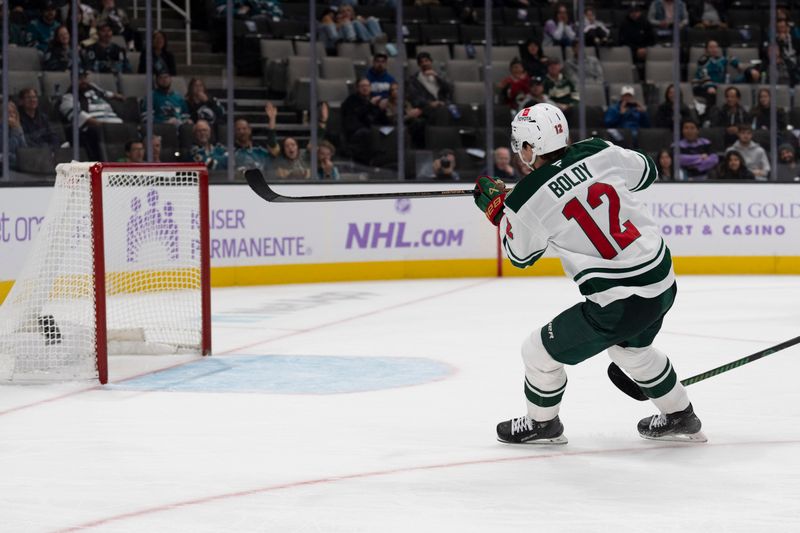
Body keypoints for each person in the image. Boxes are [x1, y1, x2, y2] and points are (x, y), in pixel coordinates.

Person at [472, 102, 705, 444]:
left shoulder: (526, 200)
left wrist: (499, 211)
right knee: (630, 351)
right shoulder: (598, 150)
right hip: (661, 281)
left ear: (528, 148)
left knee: (537, 352)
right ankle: (680, 415)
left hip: (618, 302)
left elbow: (519, 255)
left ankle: (542, 424)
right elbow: (647, 171)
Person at [59, 70, 123, 161]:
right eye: (80, 79)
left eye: (85, 78)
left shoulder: (93, 89)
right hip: (99, 128)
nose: (83, 81)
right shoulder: (69, 97)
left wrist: (117, 96)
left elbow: (105, 93)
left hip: (118, 124)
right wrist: (102, 125)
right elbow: (76, 115)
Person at [341, 77, 389, 163]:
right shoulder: (351, 100)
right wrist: (370, 105)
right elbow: (357, 116)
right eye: (362, 86)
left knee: (391, 131)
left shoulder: (375, 100)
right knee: (368, 133)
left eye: (367, 86)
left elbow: (381, 119)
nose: (365, 88)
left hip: (375, 128)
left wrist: (383, 110)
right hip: (357, 130)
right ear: (357, 88)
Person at [407, 52, 456, 123]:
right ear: (419, 65)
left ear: (431, 61)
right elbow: (415, 98)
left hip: (444, 105)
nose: (424, 64)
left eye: (426, 61)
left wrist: (437, 76)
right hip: (427, 107)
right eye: (421, 62)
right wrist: (430, 103)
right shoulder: (413, 80)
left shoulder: (441, 75)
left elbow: (450, 89)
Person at [617, 5, 655, 81]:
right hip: (630, 51)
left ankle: (650, 79)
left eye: (636, 12)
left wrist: (644, 48)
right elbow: (622, 41)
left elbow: (652, 39)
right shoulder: (624, 24)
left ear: (640, 13)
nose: (634, 14)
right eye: (632, 12)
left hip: (645, 50)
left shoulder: (646, 23)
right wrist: (636, 49)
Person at [17, 88, 60, 153]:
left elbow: (53, 135)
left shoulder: (43, 117)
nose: (32, 100)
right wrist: (43, 150)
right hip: (31, 154)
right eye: (28, 97)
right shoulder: (18, 119)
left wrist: (52, 148)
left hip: (49, 152)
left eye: (34, 97)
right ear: (21, 101)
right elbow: (25, 141)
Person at [5, 102, 28, 170]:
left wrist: (17, 129)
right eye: (9, 112)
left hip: (19, 166)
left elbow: (24, 149)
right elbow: (9, 150)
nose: (12, 115)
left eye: (13, 112)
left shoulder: (17, 128)